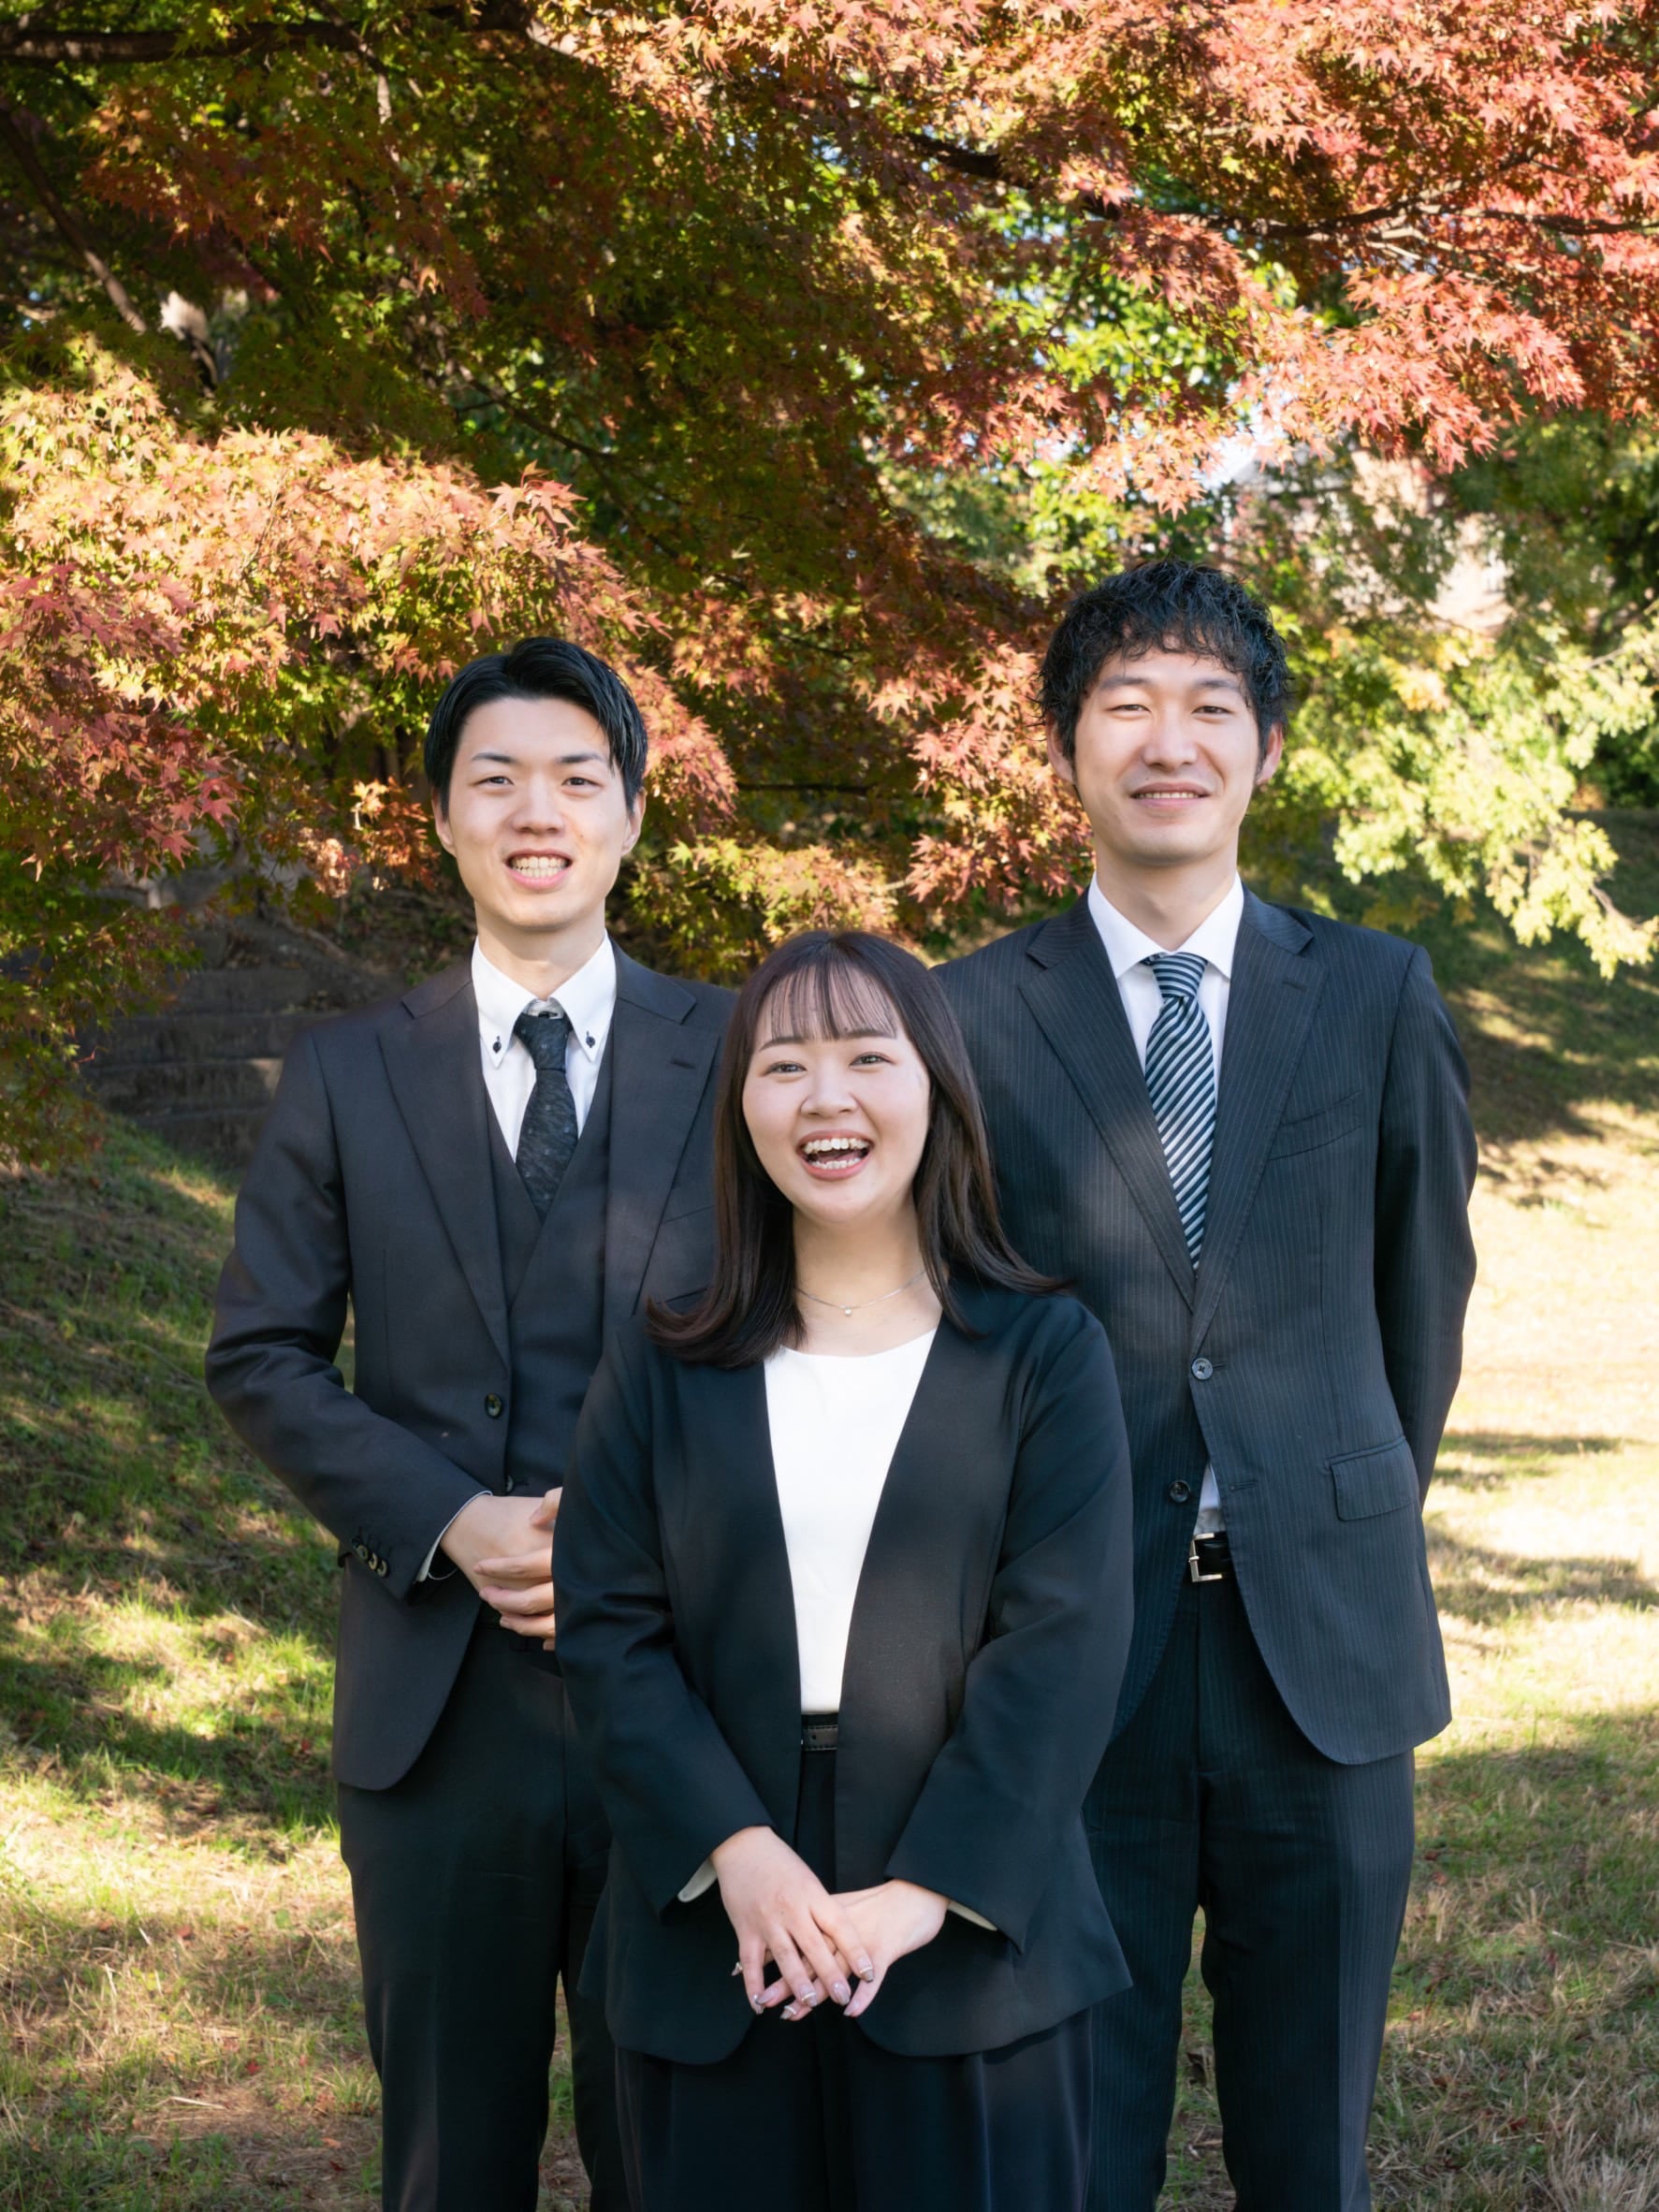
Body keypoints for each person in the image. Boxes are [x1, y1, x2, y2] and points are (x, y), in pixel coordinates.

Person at [939, 559, 1478, 2212]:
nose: (1165, 742)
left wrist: (1328, 1501)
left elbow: (1418, 1297)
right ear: (1066, 748)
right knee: (1069, 2135)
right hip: (1064, 1647)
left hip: (1318, 1645)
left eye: (1207, 707)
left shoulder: (1373, 992)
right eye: (1124, 705)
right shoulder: (964, 1015)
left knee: (1309, 2142)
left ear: (1263, 750)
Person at [205, 638, 731, 2212]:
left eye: (576, 778)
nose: (534, 812)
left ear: (631, 815)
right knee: (447, 2158)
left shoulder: (743, 1057)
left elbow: (813, 1342)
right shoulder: (347, 1073)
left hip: (690, 1694)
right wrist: (447, 1516)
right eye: (493, 780)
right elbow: (262, 1353)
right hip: (433, 1716)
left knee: (687, 2149)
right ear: (440, 817)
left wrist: (656, 1536)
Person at [552, 928, 1137, 2212]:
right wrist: (740, 1855)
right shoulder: (663, 1361)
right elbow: (608, 1629)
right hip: (717, 1927)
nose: (827, 1098)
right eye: (784, 1066)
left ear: (937, 1087)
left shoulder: (1043, 1353)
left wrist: (918, 1897)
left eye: (869, 1057)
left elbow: (1065, 1642)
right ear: (741, 1108)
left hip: (967, 1929)